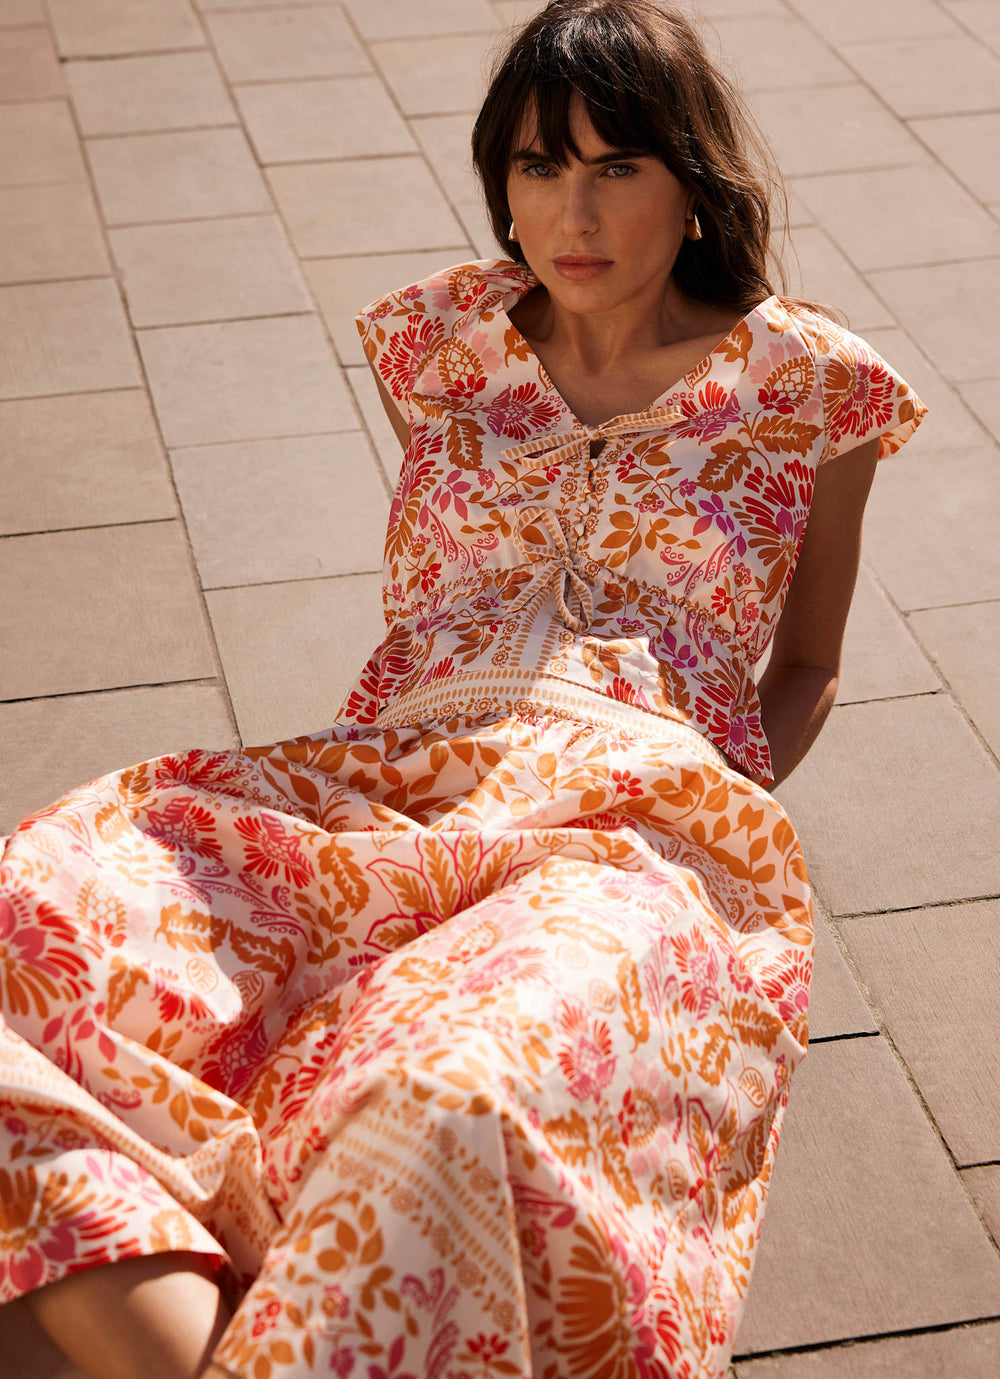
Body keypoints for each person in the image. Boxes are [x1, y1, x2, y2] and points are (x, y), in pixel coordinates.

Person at [0, 2, 926, 1376]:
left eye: (619, 166)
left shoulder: (808, 385)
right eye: (540, 165)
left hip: (633, 820)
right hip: (379, 787)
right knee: (40, 913)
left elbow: (810, 662)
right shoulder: (438, 349)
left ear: (694, 185)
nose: (573, 208)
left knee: (446, 1089)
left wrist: (716, 811)